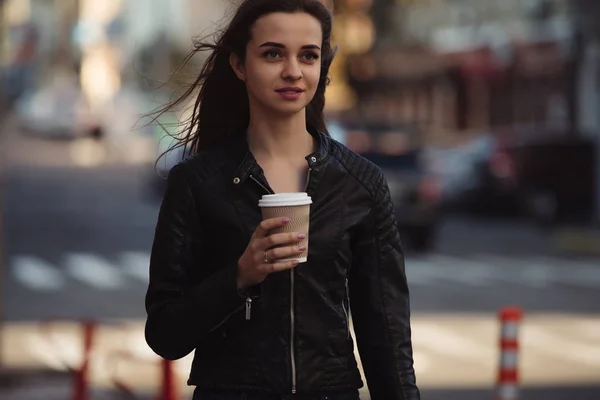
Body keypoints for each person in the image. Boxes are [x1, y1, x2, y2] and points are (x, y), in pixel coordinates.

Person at [144, 1, 420, 399]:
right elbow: (165, 335)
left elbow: (388, 337)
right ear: (239, 65)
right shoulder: (196, 182)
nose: (293, 71)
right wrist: (240, 276)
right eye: (273, 53)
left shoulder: (360, 183)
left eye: (308, 55)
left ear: (321, 66)